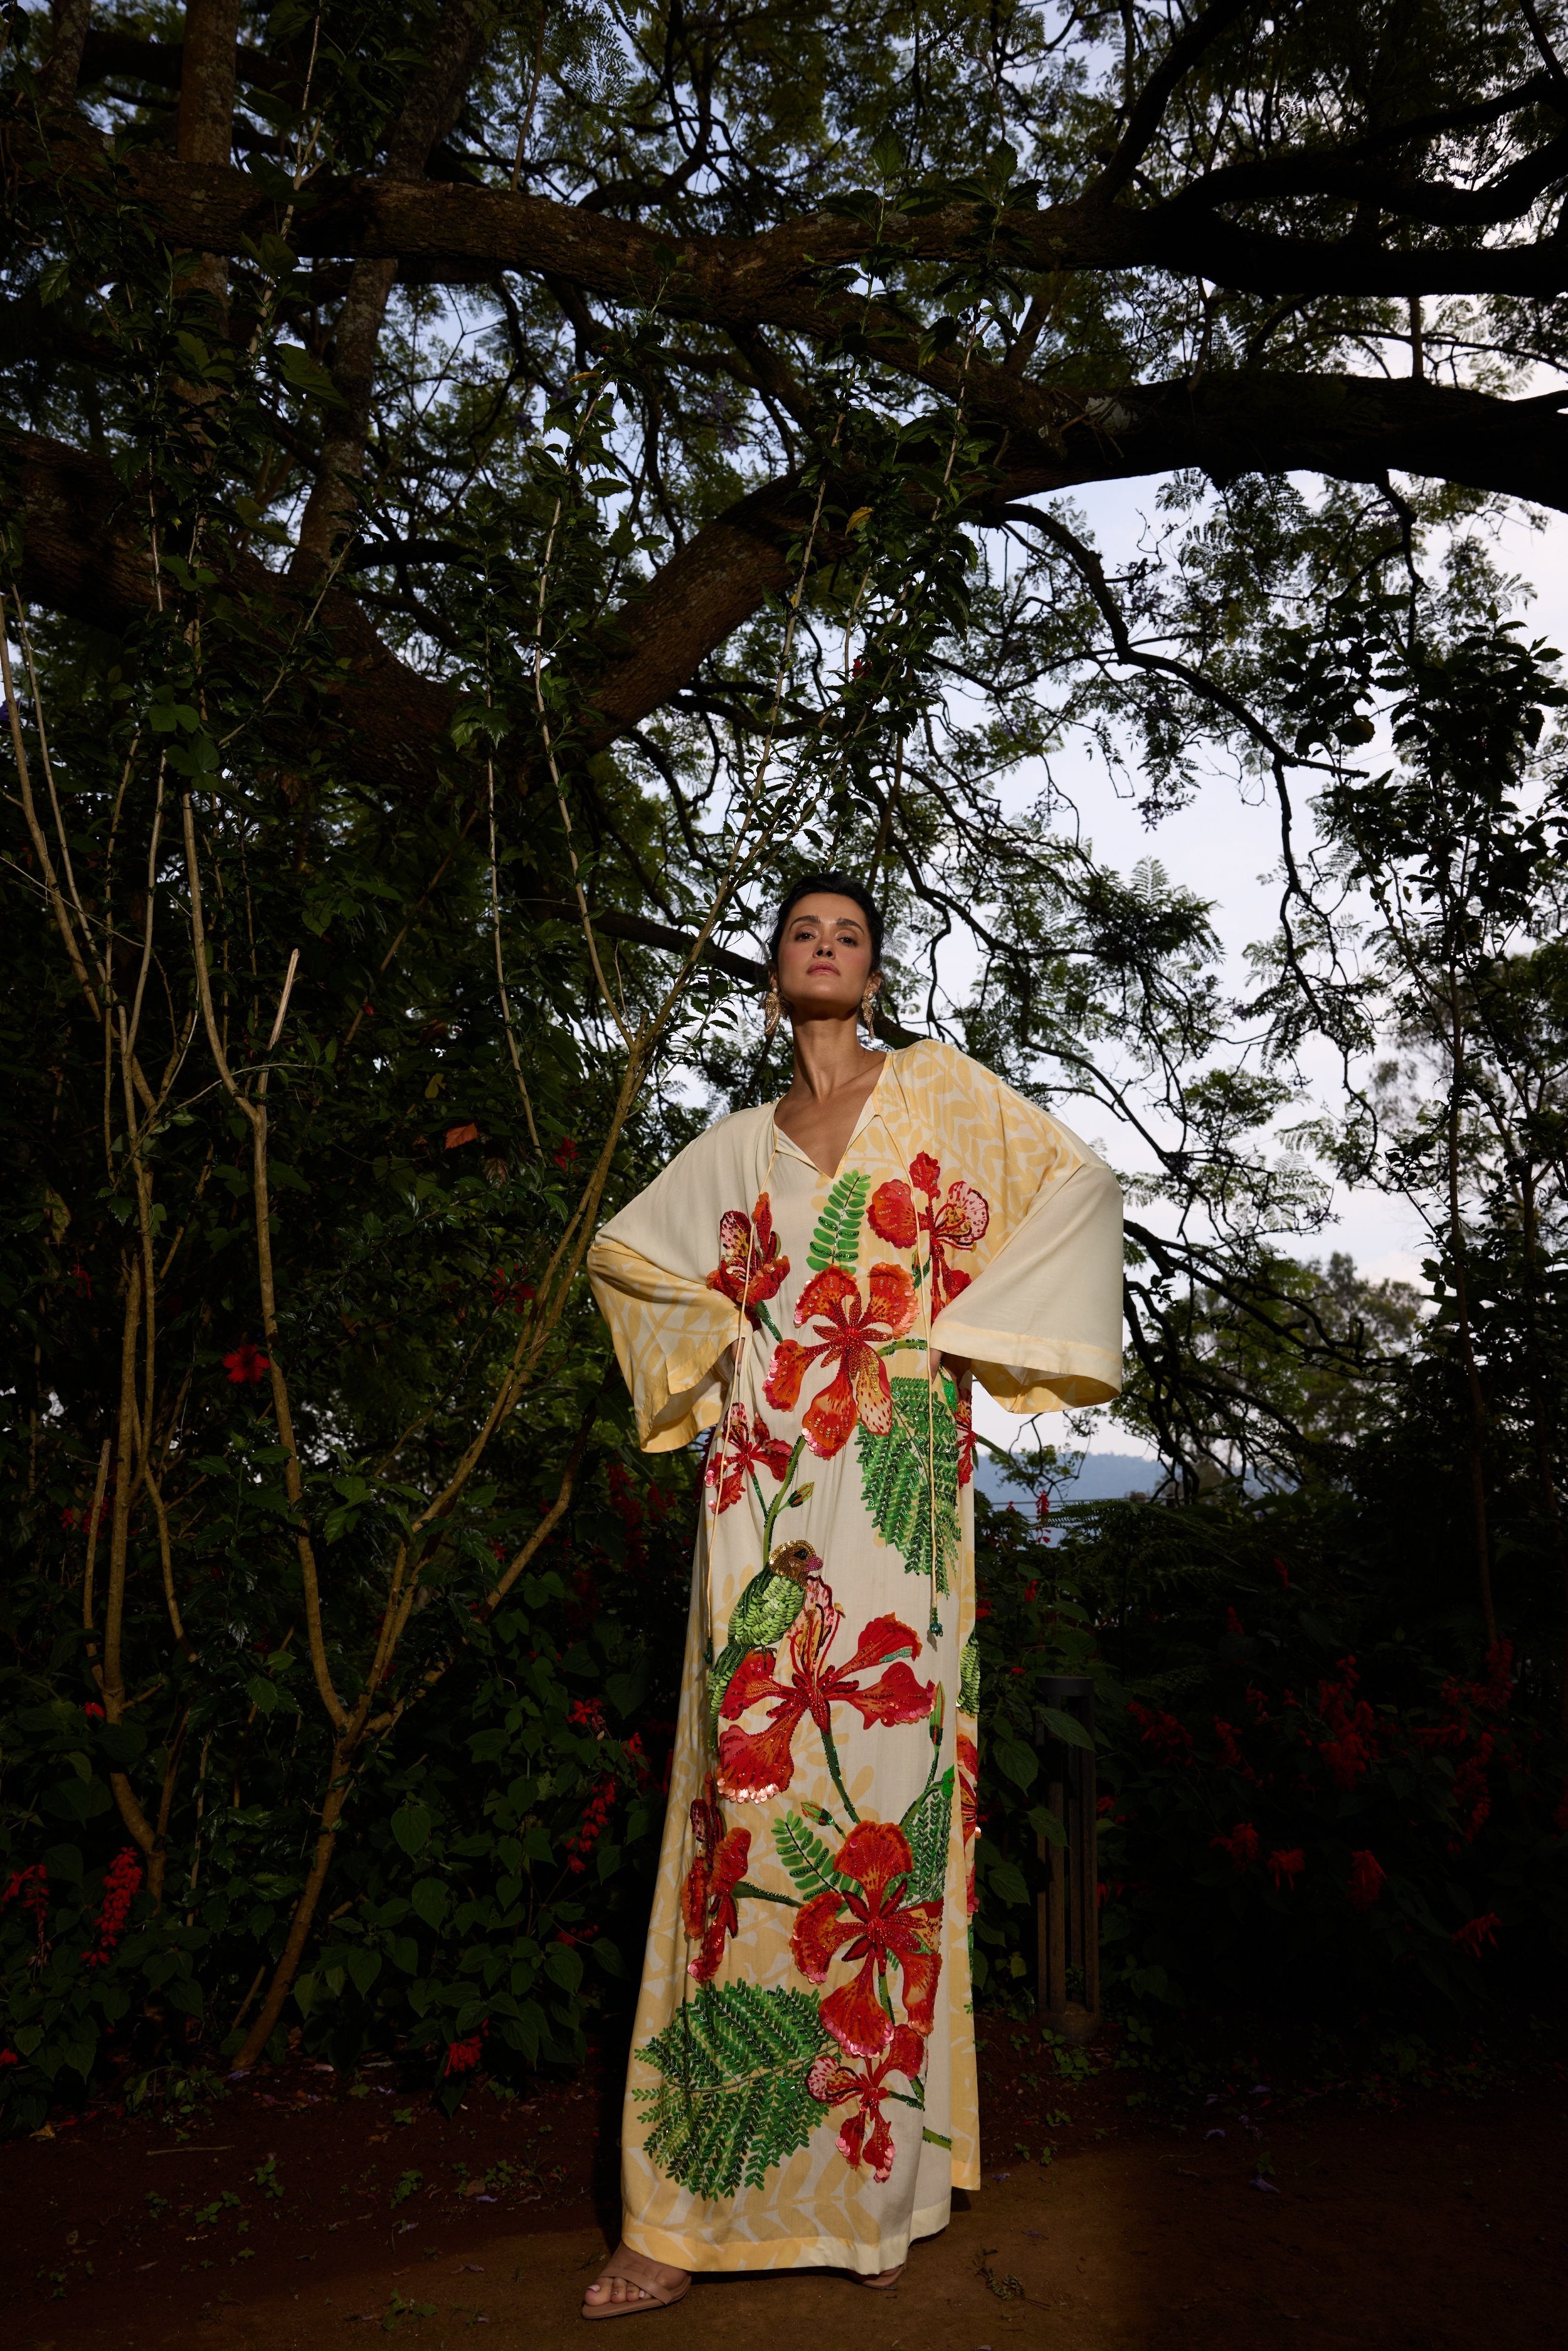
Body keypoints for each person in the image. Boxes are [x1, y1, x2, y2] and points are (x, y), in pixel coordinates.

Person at [581, 874, 1123, 2317]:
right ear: (774, 973)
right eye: (802, 933)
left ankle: (872, 2181)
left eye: (851, 935)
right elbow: (626, 1255)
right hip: (758, 1479)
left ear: (874, 973)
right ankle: (685, 2209)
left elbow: (1075, 1185)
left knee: (879, 1803)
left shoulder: (938, 1091)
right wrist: (729, 1347)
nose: (825, 949)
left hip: (894, 1466)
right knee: (739, 1811)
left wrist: (954, 1339)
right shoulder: (734, 1145)